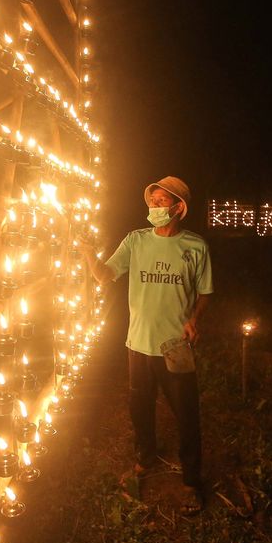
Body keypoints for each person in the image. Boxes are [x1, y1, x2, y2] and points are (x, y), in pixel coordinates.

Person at [79, 176, 213, 514]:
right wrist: (85, 252)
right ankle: (145, 458)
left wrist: (194, 319)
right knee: (140, 408)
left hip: (175, 345)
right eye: (151, 202)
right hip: (138, 344)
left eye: (161, 202)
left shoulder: (195, 247)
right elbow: (104, 275)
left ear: (178, 207)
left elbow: (205, 292)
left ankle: (191, 480)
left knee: (187, 415)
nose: (154, 207)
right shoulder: (135, 241)